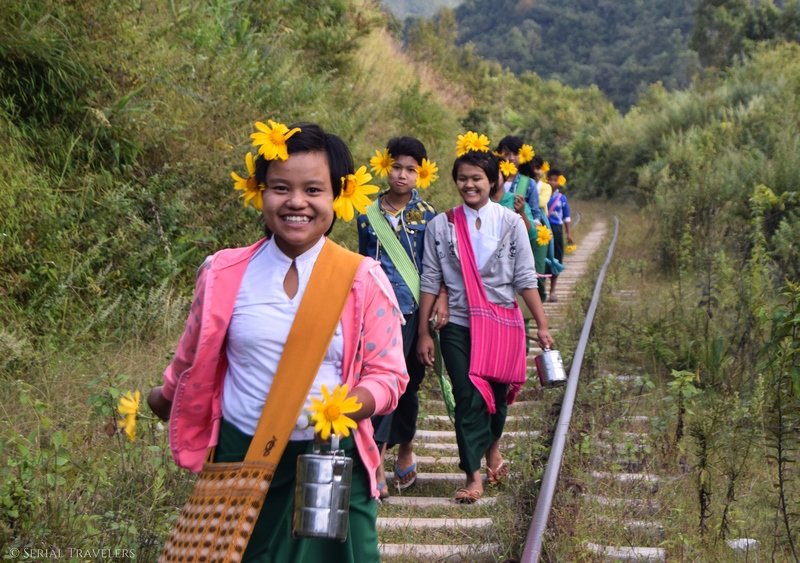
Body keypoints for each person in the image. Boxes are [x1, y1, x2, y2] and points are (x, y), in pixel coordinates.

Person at [147, 123, 408, 563]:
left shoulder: (362, 278)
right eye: (280, 188)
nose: (296, 203)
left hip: (327, 461)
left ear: (338, 196)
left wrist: (345, 407)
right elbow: (192, 360)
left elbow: (389, 375)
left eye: (313, 190)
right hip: (240, 461)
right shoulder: (222, 273)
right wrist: (163, 398)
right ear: (260, 192)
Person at [417, 142, 555, 503]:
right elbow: (430, 279)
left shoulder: (512, 223)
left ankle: (493, 448)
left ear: (493, 181)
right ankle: (472, 475)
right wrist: (423, 333)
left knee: (497, 396)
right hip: (459, 324)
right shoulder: (441, 226)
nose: (469, 185)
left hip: (504, 324)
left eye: (476, 178)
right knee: (467, 396)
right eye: (462, 179)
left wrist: (540, 325)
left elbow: (526, 278)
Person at [357, 136, 445, 499]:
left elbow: (436, 268)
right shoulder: (366, 212)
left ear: (421, 174)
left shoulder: (428, 215)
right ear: (384, 167)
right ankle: (375, 458)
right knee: (381, 380)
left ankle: (405, 446)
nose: (402, 175)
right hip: (376, 312)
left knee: (409, 384)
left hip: (413, 311)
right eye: (396, 167)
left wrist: (429, 321)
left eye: (411, 169)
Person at [546, 168, 574, 302]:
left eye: (555, 180)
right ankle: (542, 290)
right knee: (542, 258)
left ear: (559, 182)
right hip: (544, 230)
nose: (552, 182)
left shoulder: (562, 199)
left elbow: (566, 217)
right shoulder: (542, 195)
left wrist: (569, 234)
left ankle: (553, 290)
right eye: (550, 179)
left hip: (557, 230)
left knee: (556, 258)